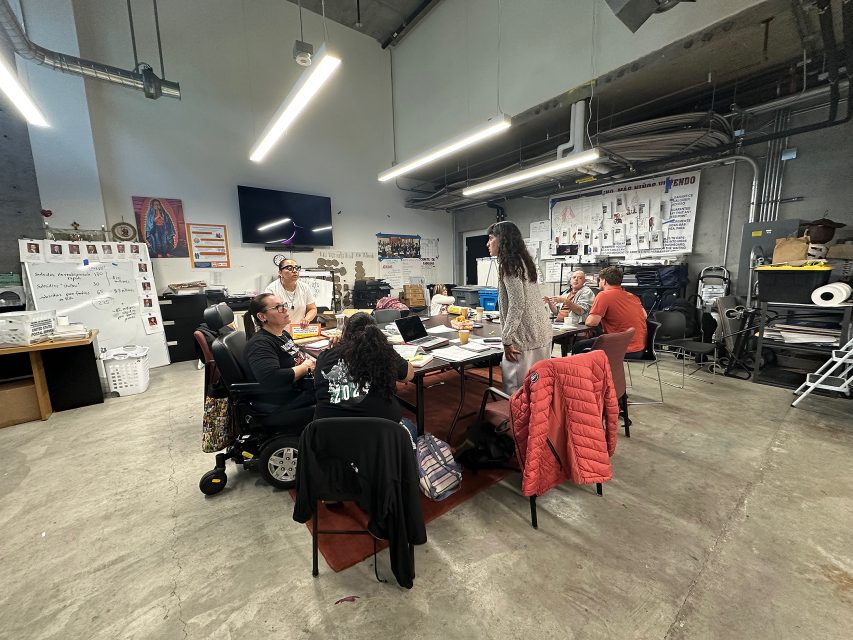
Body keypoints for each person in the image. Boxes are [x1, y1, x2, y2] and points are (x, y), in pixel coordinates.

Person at [486, 221, 552, 395]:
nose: (488, 243)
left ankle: (513, 423)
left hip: (523, 338)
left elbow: (517, 304)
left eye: (491, 238)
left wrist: (506, 339)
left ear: (502, 240)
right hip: (540, 333)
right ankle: (537, 421)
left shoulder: (509, 265)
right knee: (538, 388)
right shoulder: (524, 261)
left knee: (516, 393)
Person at [314, 312, 414, 425]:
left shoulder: (325, 357)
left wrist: (334, 349)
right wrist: (386, 349)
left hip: (328, 434)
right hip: (382, 433)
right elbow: (409, 375)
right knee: (409, 425)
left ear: (345, 333)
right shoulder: (383, 354)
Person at [242, 293, 316, 429]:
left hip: (300, 387)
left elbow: (297, 357)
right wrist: (305, 367)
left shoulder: (283, 334)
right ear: (262, 316)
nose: (285, 310)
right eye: (279, 307)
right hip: (283, 399)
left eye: (284, 305)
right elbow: (271, 378)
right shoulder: (260, 344)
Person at [572, 266, 647, 358]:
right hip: (639, 348)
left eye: (599, 280)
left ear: (604, 281)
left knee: (578, 346)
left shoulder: (604, 295)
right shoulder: (632, 296)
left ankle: (586, 372)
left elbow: (591, 322)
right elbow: (645, 315)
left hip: (620, 348)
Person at [264, 258, 317, 326]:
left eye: (297, 268)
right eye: (289, 268)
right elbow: (268, 314)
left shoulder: (304, 287)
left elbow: (312, 308)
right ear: (280, 273)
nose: (295, 271)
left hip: (299, 330)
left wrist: (307, 319)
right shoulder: (271, 289)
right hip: (279, 332)